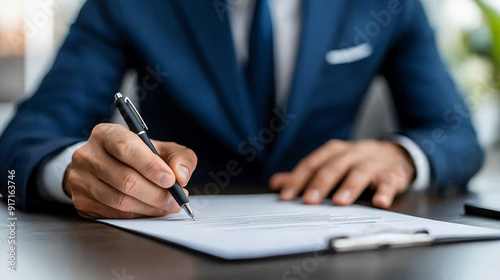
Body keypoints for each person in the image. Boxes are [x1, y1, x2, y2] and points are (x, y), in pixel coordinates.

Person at [0, 0, 483, 219]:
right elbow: (27, 136)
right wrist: (71, 172)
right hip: (168, 256)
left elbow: (456, 132)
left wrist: (403, 156)